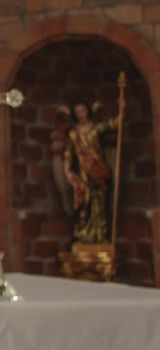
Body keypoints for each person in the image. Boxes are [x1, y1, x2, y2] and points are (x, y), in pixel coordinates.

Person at [58, 101, 120, 245]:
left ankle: (101, 234)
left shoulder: (95, 127)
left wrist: (122, 107)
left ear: (88, 112)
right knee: (84, 202)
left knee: (100, 201)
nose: (81, 114)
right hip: (83, 173)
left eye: (83, 111)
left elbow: (114, 123)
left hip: (98, 170)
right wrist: (67, 171)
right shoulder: (73, 134)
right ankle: (83, 234)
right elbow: (68, 154)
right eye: (78, 112)